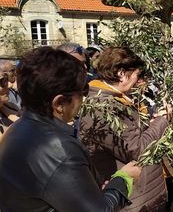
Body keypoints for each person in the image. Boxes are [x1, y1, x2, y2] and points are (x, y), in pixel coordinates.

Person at [0, 47, 141, 211]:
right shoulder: (60, 150)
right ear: (59, 103)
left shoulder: (18, 129)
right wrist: (123, 180)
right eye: (82, 91)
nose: (84, 98)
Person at [80, 47, 170, 212]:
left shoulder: (116, 99)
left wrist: (151, 122)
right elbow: (136, 149)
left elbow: (129, 135)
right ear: (121, 73)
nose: (137, 80)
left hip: (143, 193)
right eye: (136, 74)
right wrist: (162, 121)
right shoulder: (104, 107)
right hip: (136, 200)